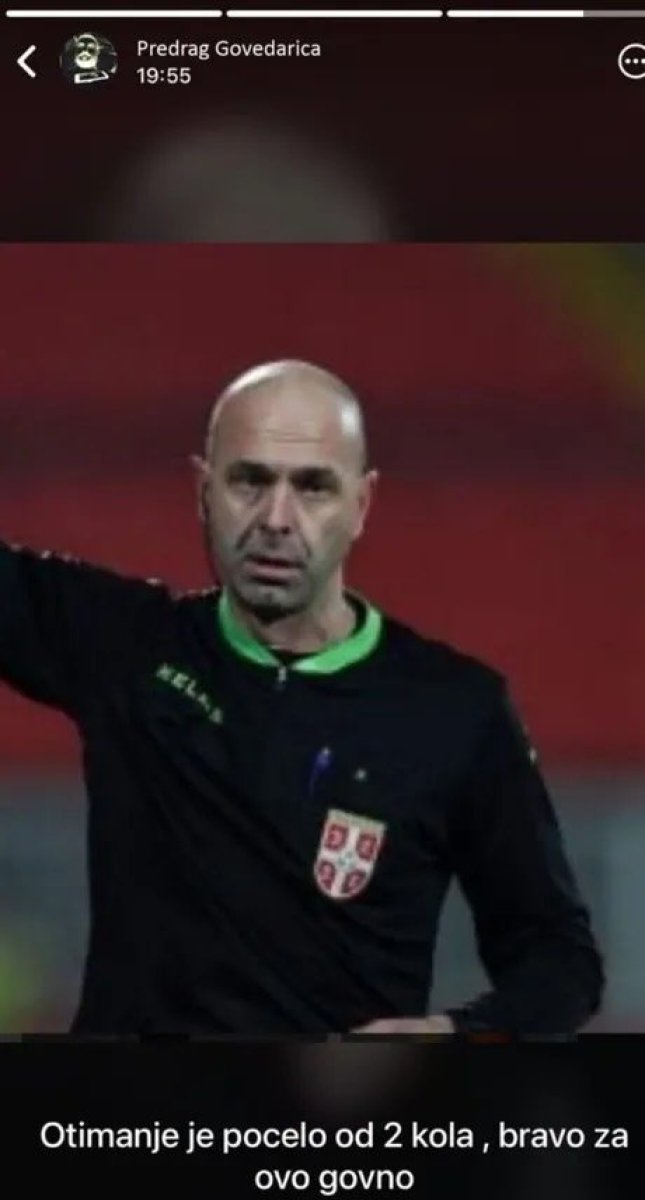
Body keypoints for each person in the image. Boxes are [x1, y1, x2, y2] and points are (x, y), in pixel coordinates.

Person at [0, 360, 603, 1035]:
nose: (276, 518)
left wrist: (454, 1035)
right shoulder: (123, 644)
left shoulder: (455, 710)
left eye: (313, 487)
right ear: (203, 490)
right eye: (249, 481)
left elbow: (558, 960)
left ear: (362, 504)